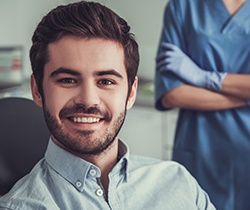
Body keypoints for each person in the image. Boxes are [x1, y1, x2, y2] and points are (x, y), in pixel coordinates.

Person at [0, 1, 216, 210]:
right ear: (37, 90)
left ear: (130, 93)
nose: (88, 100)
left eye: (106, 81)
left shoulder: (178, 182)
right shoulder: (20, 206)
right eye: (67, 80)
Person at [154, 0, 250, 210]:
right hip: (200, 147)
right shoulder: (183, 7)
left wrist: (205, 78)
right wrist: (244, 95)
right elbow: (172, 93)